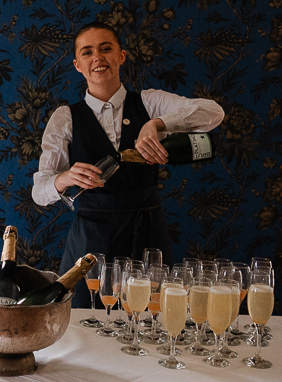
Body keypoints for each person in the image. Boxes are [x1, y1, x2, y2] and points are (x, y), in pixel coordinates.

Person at [32, 23, 224, 290]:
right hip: (90, 239)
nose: (97, 57)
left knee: (148, 321)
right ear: (78, 65)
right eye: (87, 52)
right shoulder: (66, 118)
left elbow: (213, 113)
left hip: (147, 234)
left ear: (121, 56)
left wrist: (158, 124)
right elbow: (39, 193)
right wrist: (64, 178)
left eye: (105, 48)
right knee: (85, 323)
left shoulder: (149, 102)